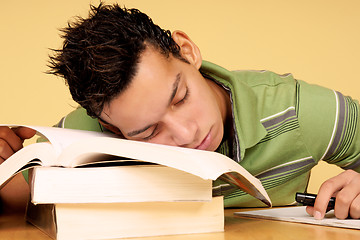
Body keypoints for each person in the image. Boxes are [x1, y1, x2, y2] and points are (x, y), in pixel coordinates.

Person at [1, 3, 360, 219]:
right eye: (148, 132)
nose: (187, 134)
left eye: (181, 96)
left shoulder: (299, 111)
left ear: (187, 51)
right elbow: (18, 203)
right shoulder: (79, 141)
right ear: (110, 129)